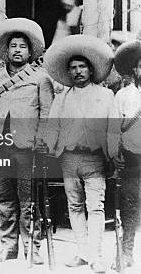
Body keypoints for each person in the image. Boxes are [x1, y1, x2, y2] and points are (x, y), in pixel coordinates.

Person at [0, 18, 53, 263]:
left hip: (27, 146)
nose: (17, 50)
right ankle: (8, 246)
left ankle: (33, 247)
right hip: (0, 146)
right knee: (4, 199)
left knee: (29, 199)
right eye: (13, 46)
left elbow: (48, 113)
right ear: (6, 51)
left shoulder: (41, 77)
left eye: (22, 46)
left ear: (30, 52)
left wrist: (43, 142)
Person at [39, 34, 115, 274]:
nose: (78, 71)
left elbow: (113, 129)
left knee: (96, 207)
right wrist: (46, 149)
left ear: (91, 71)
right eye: (73, 68)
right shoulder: (61, 99)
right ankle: (83, 252)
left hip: (95, 159)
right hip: (69, 159)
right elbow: (52, 128)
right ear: (68, 72)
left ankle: (96, 256)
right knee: (74, 205)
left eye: (82, 66)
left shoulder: (105, 96)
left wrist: (113, 155)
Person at [108, 39, 141, 269]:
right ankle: (126, 251)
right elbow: (112, 128)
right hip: (132, 157)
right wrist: (113, 152)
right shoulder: (123, 96)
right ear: (134, 69)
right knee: (130, 206)